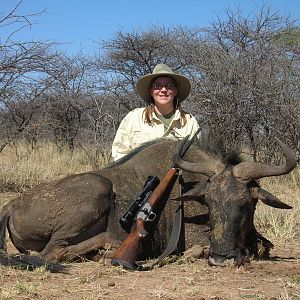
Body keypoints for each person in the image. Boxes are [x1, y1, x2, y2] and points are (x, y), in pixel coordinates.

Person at [111, 63, 200, 161]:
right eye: (158, 86)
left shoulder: (189, 121)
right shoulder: (133, 118)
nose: (163, 90)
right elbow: (119, 152)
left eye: (169, 85)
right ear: (151, 91)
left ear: (175, 91)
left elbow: (198, 156)